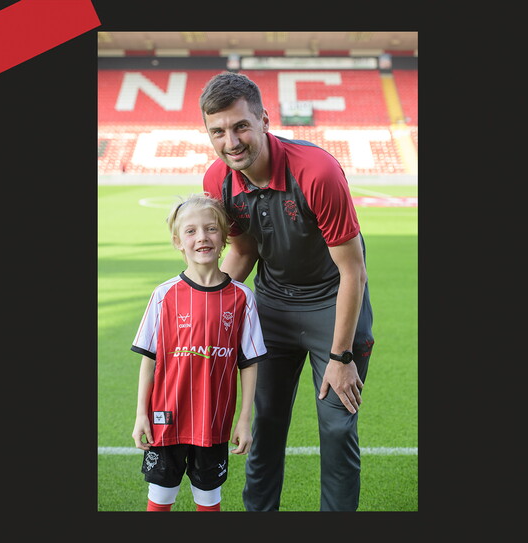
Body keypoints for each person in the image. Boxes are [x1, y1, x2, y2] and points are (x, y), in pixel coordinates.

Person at [199, 72, 375, 511]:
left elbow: (353, 271)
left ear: (264, 120)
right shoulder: (218, 180)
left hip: (333, 306)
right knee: (266, 423)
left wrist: (341, 358)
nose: (231, 142)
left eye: (240, 126)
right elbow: (243, 252)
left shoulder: (316, 171)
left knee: (337, 429)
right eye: (218, 131)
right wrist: (203, 308)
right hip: (272, 308)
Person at [130, 193, 267, 512]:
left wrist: (244, 419)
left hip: (214, 421)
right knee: (160, 496)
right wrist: (141, 415)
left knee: (208, 498)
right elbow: (149, 360)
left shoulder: (242, 298)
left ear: (224, 238)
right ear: (178, 242)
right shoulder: (164, 295)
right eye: (191, 231)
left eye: (211, 229)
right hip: (166, 418)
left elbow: (248, 364)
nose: (202, 237)